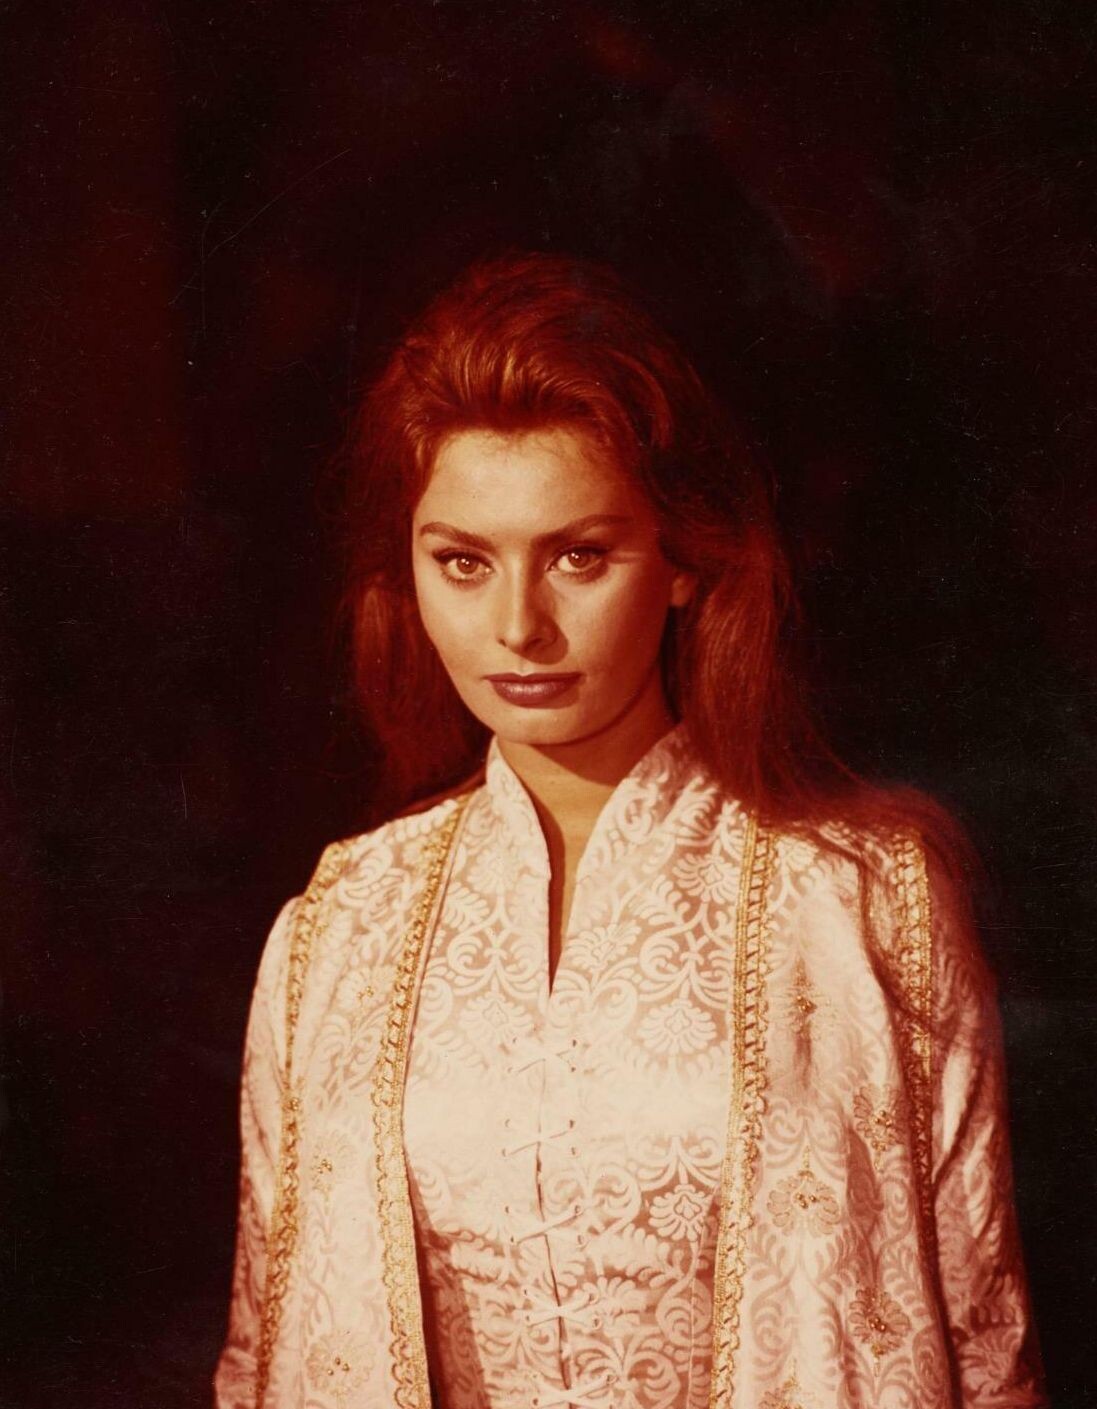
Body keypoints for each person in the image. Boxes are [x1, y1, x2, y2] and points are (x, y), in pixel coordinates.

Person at [213, 253, 1046, 1409]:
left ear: (683, 563)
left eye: (578, 555)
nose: (518, 625)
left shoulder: (859, 903)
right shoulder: (338, 929)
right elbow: (263, 1354)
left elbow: (983, 1346)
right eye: (462, 561)